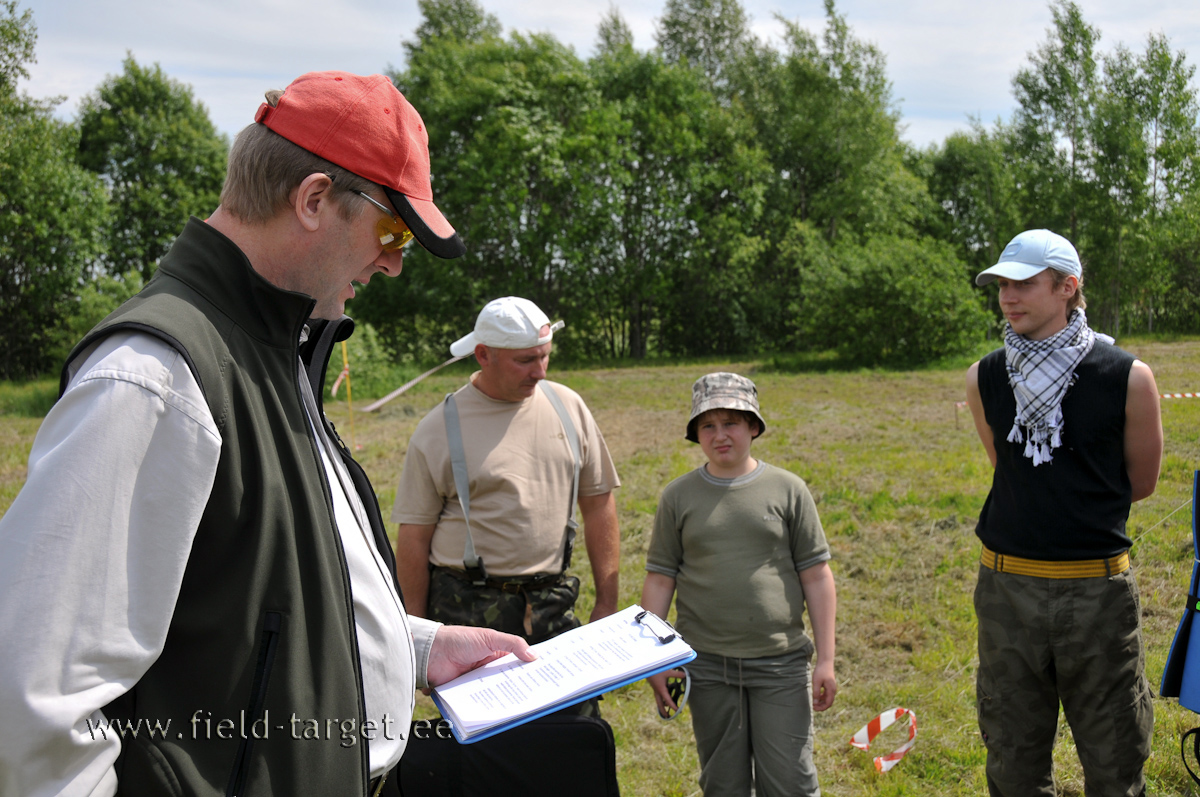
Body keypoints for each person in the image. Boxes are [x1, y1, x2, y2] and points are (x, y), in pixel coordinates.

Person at [0, 71, 535, 797]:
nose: (394, 262)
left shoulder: (273, 347)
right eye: (393, 230)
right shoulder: (153, 380)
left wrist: (417, 647)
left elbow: (263, 603)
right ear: (313, 199)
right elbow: (32, 707)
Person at [965, 228, 1163, 796]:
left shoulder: (1127, 376)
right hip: (1007, 591)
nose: (1007, 297)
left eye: (1023, 284)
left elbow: (1139, 484)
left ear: (1067, 286)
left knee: (1115, 758)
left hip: (1097, 594)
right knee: (1013, 760)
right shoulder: (984, 376)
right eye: (1001, 285)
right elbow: (1009, 470)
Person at [641, 372, 838, 797]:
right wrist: (653, 661)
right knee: (722, 782)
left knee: (790, 781)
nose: (720, 435)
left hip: (780, 664)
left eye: (731, 422)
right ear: (695, 433)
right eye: (707, 426)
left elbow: (817, 575)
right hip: (708, 665)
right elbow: (659, 579)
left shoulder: (788, 490)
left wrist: (826, 659)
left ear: (753, 427)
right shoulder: (678, 497)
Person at [393, 296, 621, 648]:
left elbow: (598, 504)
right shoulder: (439, 429)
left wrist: (607, 603)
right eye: (526, 360)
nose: (540, 372)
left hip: (552, 606)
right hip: (467, 610)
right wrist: (417, 637)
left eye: (545, 356)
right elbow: (414, 537)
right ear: (483, 355)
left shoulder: (569, 407)